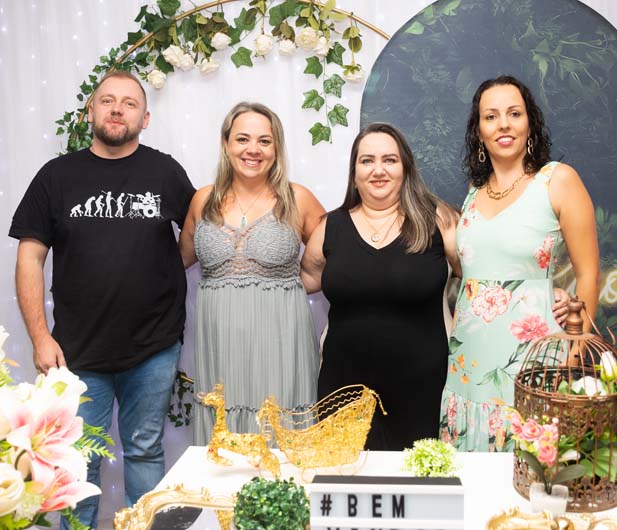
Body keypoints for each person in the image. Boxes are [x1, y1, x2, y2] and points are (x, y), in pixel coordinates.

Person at [9, 70, 195, 529]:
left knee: (145, 450)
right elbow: (30, 257)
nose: (117, 109)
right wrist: (39, 337)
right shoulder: (56, 176)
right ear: (90, 111)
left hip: (153, 347)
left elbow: (193, 237)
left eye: (129, 103)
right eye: (107, 100)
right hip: (75, 352)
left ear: (145, 118)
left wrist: (162, 273)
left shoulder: (165, 172)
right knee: (76, 461)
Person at [439, 75, 600, 452]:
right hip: (468, 358)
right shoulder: (474, 192)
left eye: (514, 113)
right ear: (479, 132)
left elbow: (589, 273)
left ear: (530, 123)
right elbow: (472, 274)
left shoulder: (557, 180)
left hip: (535, 355)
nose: (503, 124)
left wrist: (575, 352)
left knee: (529, 466)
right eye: (491, 116)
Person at [301, 122, 460, 450]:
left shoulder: (438, 220)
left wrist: (541, 292)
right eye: (367, 160)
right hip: (343, 388)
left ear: (406, 169)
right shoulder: (330, 227)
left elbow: (477, 280)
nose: (378, 170)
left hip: (422, 387)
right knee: (342, 475)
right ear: (354, 173)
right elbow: (306, 280)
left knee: (417, 476)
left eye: (389, 160)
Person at [179, 102, 325, 444]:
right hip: (220, 343)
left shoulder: (298, 198)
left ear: (277, 147)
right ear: (226, 143)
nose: (253, 149)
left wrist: (292, 286)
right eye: (243, 139)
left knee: (281, 432)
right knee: (225, 441)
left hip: (281, 338)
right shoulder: (203, 200)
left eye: (264, 141)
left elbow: (341, 260)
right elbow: (172, 265)